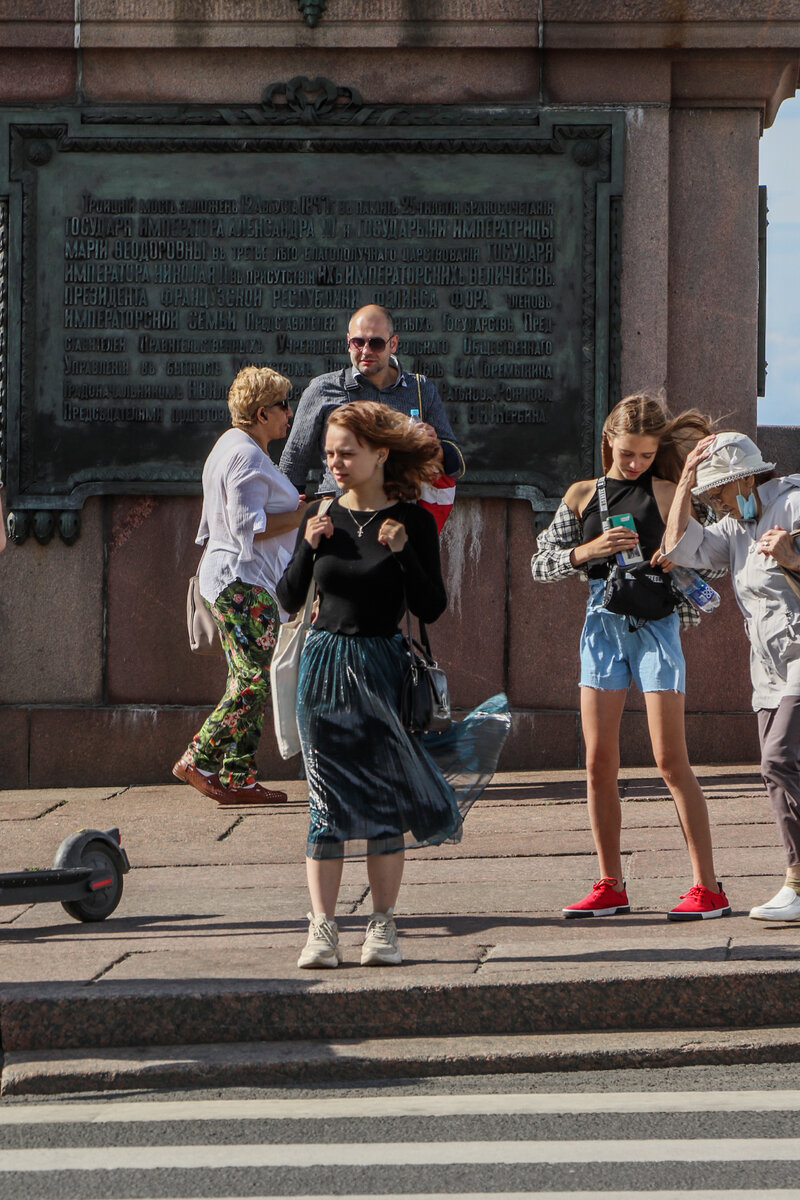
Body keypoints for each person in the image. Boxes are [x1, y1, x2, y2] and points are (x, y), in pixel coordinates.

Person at [276, 400, 509, 969]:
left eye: (346, 453)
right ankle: (323, 928)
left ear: (380, 454)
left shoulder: (414, 522)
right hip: (324, 668)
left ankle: (382, 927)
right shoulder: (321, 516)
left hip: (383, 667)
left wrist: (403, 554)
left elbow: (431, 607)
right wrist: (307, 546)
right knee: (325, 802)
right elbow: (286, 600)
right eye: (329, 453)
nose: (335, 462)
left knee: (382, 804)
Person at [531, 393, 730, 921]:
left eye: (644, 454)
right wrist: (584, 553)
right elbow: (540, 563)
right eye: (626, 454)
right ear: (607, 444)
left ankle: (707, 887)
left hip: (656, 628)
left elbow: (713, 566)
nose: (635, 464)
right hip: (602, 627)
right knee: (598, 763)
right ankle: (610, 883)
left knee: (670, 760)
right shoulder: (582, 494)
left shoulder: (666, 493)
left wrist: (675, 552)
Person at [664, 430, 800, 922]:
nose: (714, 503)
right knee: (779, 780)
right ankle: (796, 881)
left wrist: (793, 556)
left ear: (745, 479)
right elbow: (678, 547)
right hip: (768, 669)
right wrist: (682, 483)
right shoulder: (735, 528)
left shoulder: (792, 505)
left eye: (717, 492)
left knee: (779, 761)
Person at [173, 365, 306, 806]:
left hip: (233, 578)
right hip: (240, 581)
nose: (290, 412)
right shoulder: (246, 454)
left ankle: (239, 778)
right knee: (252, 680)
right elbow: (249, 524)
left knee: (247, 679)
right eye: (284, 405)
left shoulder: (234, 447)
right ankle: (199, 757)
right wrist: (305, 515)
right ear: (262, 412)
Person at [279, 303, 465, 497]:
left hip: (400, 515)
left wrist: (433, 448)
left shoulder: (421, 388)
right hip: (338, 515)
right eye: (358, 342)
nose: (366, 351)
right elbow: (294, 459)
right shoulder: (322, 389)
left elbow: (457, 464)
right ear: (348, 342)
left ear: (393, 344)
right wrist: (289, 511)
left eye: (376, 343)